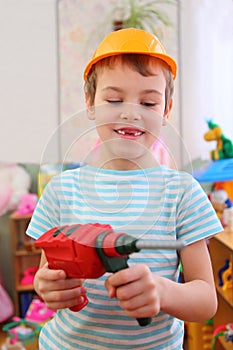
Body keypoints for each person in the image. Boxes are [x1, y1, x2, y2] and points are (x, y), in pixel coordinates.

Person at [27, 28, 223, 349]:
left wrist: (162, 291)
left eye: (148, 102)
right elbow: (46, 275)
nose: (131, 112)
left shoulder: (183, 193)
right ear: (90, 103)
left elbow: (206, 303)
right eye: (114, 99)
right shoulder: (61, 190)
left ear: (166, 111)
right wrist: (47, 287)